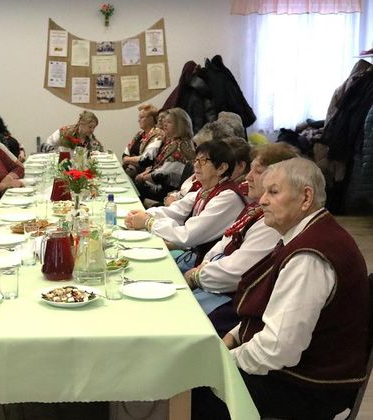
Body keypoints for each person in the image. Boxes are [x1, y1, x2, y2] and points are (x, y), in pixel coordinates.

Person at [193, 157, 370, 419]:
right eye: (264, 192)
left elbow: (278, 349)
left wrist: (225, 362)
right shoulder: (307, 235)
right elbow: (271, 313)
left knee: (193, 386)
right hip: (297, 372)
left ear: (306, 198)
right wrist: (233, 337)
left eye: (273, 192)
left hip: (306, 387)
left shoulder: (309, 256)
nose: (262, 200)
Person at [184, 143, 298, 336]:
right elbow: (224, 242)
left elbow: (237, 273)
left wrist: (197, 275)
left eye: (258, 171)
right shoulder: (256, 209)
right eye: (250, 169)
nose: (248, 177)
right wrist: (203, 266)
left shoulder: (274, 223)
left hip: (233, 301)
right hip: (214, 281)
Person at [126, 140, 246, 267]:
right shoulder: (207, 190)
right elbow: (175, 210)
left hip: (206, 266)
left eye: (203, 161)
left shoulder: (228, 198)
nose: (196, 165)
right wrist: (143, 214)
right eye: (196, 160)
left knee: (144, 263)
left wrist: (148, 222)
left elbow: (187, 235)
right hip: (193, 256)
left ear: (221, 168)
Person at [134, 108, 196, 203]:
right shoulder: (174, 142)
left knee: (135, 188)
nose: (165, 125)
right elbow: (158, 166)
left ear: (179, 125)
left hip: (168, 192)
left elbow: (164, 175)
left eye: (169, 122)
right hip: (162, 186)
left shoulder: (180, 145)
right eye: (165, 122)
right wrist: (146, 174)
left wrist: (143, 177)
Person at [122, 103, 164, 178]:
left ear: (151, 119)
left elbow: (145, 160)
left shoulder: (158, 135)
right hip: (132, 170)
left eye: (141, 117)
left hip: (143, 175)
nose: (138, 120)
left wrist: (127, 160)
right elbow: (125, 153)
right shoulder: (140, 134)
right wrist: (129, 160)